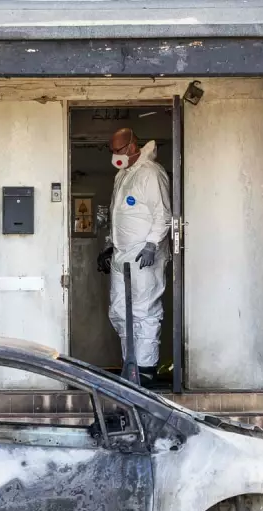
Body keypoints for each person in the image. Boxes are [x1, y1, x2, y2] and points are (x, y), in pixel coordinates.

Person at [102, 128, 171, 387]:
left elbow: (162, 213)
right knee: (120, 311)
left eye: (118, 151)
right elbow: (119, 217)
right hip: (122, 255)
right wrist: (110, 247)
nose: (115, 157)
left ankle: (145, 369)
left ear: (132, 147)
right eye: (112, 152)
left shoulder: (151, 174)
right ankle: (130, 364)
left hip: (144, 255)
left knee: (144, 312)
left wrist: (152, 244)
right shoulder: (123, 175)